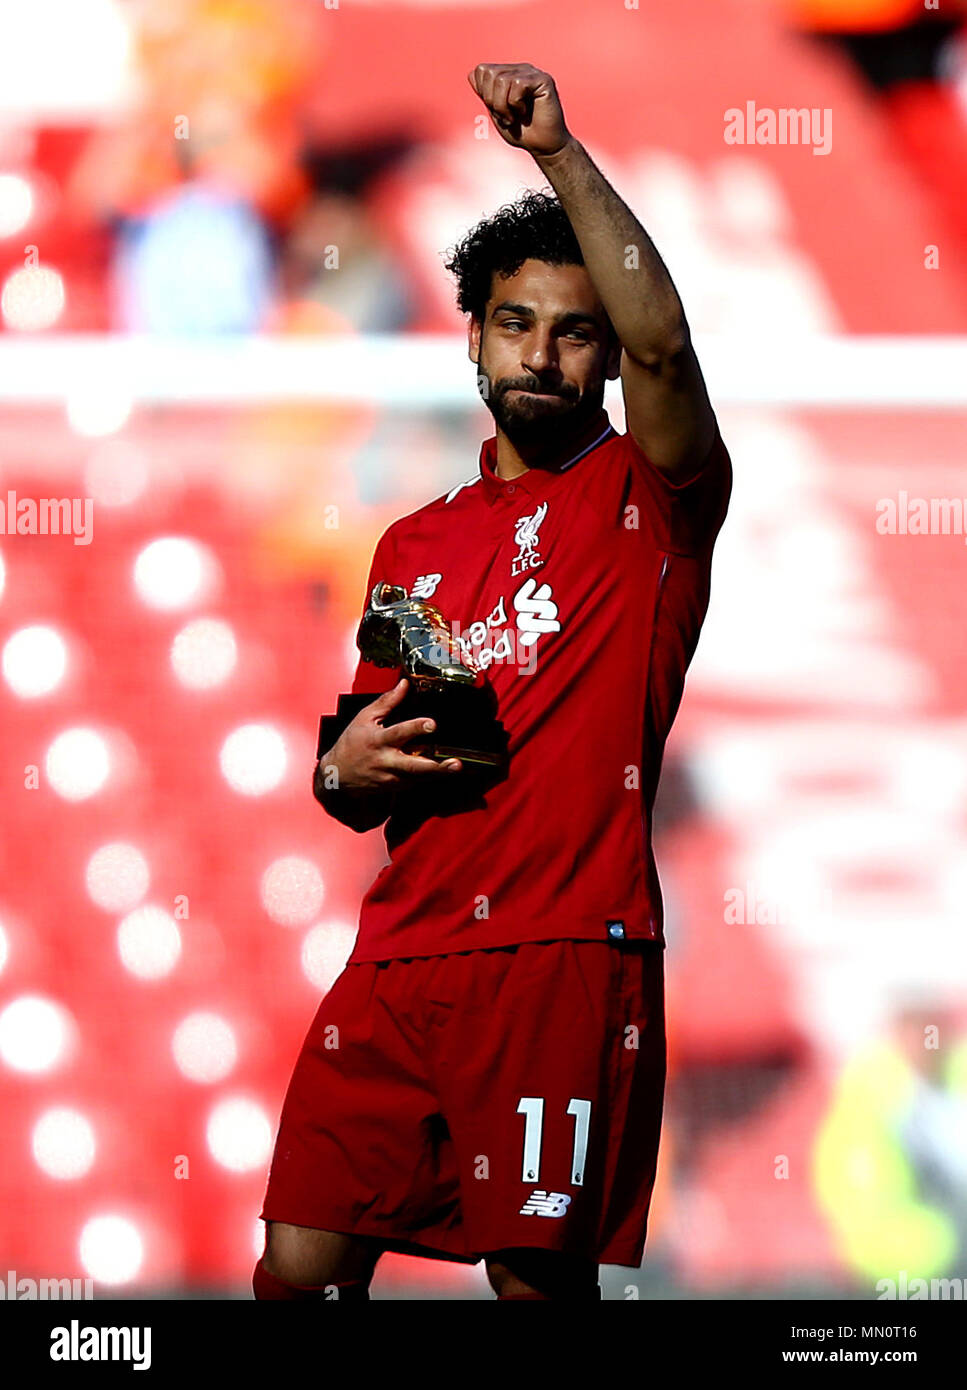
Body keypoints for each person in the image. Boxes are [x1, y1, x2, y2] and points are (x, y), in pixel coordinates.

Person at [254, 63, 732, 1301]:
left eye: (575, 332)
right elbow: (367, 768)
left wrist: (559, 156)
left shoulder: (651, 504)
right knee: (295, 1270)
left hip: (563, 953)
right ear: (470, 335)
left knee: (532, 1289)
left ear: (605, 360)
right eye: (515, 322)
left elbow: (668, 343)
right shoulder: (411, 542)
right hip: (400, 956)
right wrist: (336, 768)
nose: (542, 353)